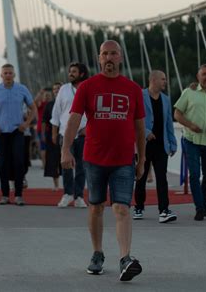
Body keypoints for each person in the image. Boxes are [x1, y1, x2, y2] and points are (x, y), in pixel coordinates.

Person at [61, 40, 145, 281]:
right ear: (99, 59)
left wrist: (142, 160)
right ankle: (97, 253)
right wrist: (65, 150)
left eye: (114, 54)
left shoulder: (133, 89)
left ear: (120, 58)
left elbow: (140, 128)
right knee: (96, 207)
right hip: (95, 158)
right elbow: (74, 121)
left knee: (121, 207)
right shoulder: (87, 87)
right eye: (105, 54)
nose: (109, 58)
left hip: (123, 160)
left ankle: (125, 259)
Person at [0, 64, 37, 206]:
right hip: (1, 132)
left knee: (18, 162)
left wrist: (27, 123)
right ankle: (4, 195)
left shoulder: (22, 89)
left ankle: (18, 195)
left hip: (17, 131)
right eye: (5, 73)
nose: (8, 75)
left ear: (14, 75)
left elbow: (33, 107)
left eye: (10, 73)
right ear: (1, 75)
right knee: (4, 163)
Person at [174, 64, 206, 221]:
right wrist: (190, 125)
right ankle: (200, 208)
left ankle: (202, 203)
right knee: (195, 175)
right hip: (191, 140)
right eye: (204, 74)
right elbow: (177, 113)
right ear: (198, 77)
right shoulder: (188, 92)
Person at [133, 70, 177, 223]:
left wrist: (173, 143)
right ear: (153, 80)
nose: (165, 82)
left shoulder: (166, 99)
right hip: (144, 145)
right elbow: (132, 117)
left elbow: (168, 123)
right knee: (141, 177)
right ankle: (138, 207)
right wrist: (145, 132)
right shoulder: (139, 95)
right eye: (163, 79)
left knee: (161, 178)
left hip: (161, 146)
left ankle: (164, 210)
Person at [51, 63, 89, 208]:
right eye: (70, 72)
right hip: (65, 134)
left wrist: (89, 128)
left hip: (84, 135)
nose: (70, 74)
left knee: (82, 166)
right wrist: (54, 132)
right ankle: (67, 194)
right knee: (66, 164)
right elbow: (56, 111)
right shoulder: (64, 89)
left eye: (74, 72)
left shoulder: (88, 88)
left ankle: (78, 196)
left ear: (82, 74)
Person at [42, 84, 61, 190]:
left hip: (66, 134)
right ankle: (56, 185)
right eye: (54, 89)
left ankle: (71, 183)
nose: (56, 90)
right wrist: (44, 135)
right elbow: (44, 120)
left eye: (58, 88)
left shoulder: (68, 102)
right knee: (53, 160)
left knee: (66, 160)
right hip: (51, 135)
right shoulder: (49, 104)